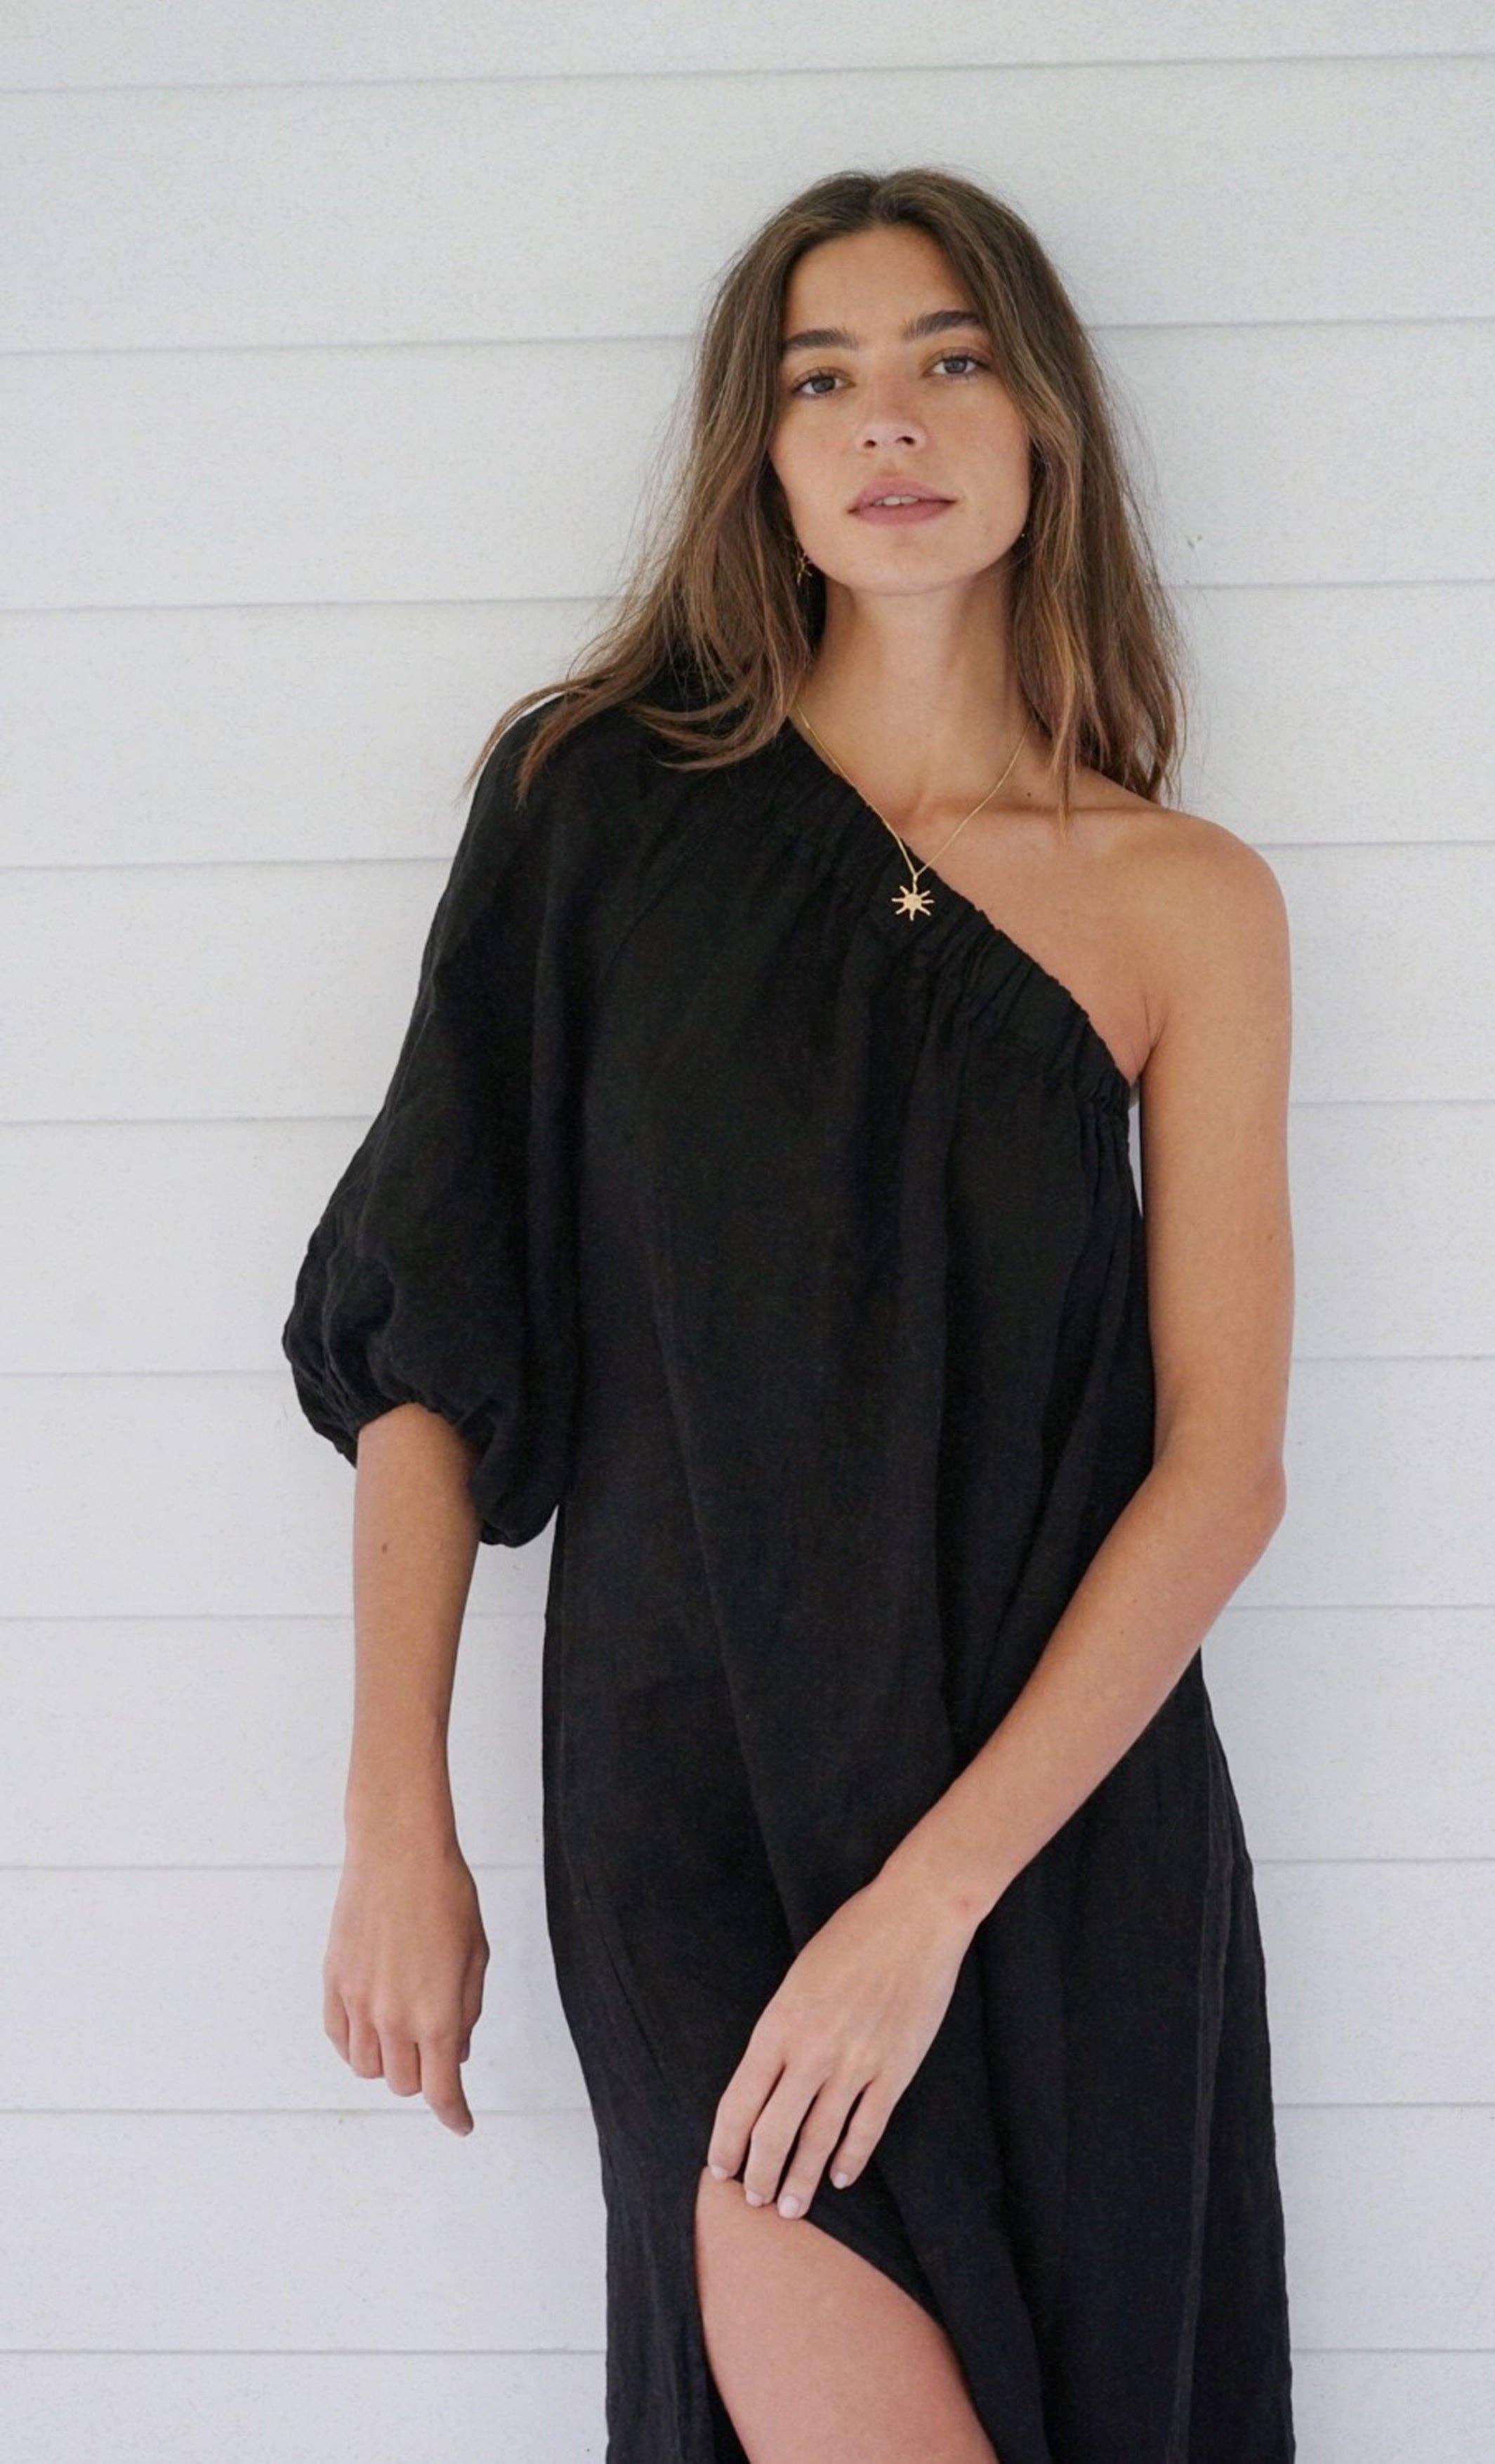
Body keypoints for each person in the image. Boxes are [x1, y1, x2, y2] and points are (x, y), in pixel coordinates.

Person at [282, 167, 1296, 2464]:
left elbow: (1222, 1466)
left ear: (1043, 421)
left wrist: (934, 1902)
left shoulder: (1184, 900)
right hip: (693, 1807)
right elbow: (431, 1327)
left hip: (1052, 1835)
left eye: (948, 360)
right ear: (762, 451)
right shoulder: (595, 806)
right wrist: (391, 1816)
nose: (888, 421)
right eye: (821, 380)